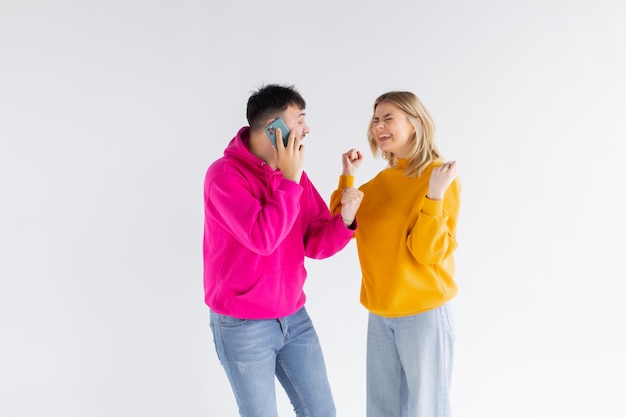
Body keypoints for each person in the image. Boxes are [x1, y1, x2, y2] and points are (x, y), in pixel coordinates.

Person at [203, 84, 363, 417]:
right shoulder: (224, 176)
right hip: (243, 325)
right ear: (273, 128)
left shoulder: (293, 178)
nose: (307, 129)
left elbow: (315, 242)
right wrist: (289, 181)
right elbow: (263, 238)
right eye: (299, 119)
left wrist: (345, 220)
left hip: (294, 317)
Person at [330, 91, 461, 417]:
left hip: (423, 313)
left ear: (415, 123)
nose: (379, 126)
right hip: (381, 313)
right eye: (376, 119)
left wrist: (434, 195)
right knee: (381, 410)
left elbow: (427, 251)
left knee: (426, 410)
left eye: (389, 118)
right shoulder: (379, 183)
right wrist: (347, 175)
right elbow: (340, 224)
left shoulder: (439, 177)